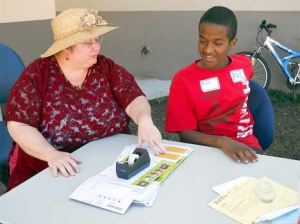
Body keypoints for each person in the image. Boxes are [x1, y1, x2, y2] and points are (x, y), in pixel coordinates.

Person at [6, 8, 165, 190]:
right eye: (88, 43)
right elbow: (19, 125)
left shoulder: (105, 67)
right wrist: (51, 154)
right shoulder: (38, 75)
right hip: (57, 169)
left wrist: (144, 120)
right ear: (66, 47)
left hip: (109, 161)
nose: (96, 47)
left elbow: (133, 97)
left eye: (97, 40)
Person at [166, 6, 266, 164]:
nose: (207, 50)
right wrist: (223, 142)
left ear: (232, 43)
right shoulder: (183, 80)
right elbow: (185, 133)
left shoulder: (244, 65)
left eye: (217, 43)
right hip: (205, 149)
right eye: (202, 41)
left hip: (247, 146)